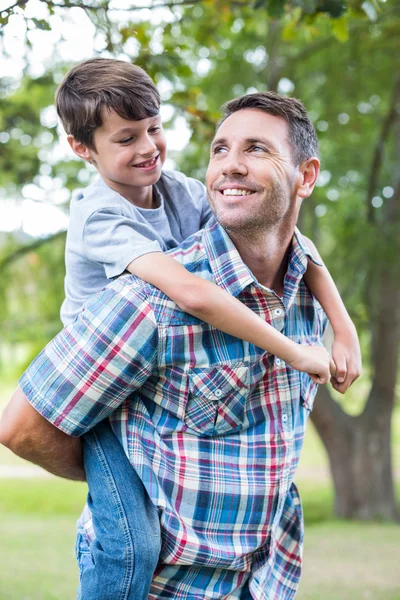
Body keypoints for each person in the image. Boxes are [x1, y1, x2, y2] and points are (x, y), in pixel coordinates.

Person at [0, 91, 361, 599]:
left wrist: (344, 329)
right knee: (130, 543)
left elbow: (302, 249)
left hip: (264, 583)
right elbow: (20, 427)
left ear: (305, 176)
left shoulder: (302, 294)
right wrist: (124, 475)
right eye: (220, 149)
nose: (230, 166)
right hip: (168, 587)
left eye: (255, 149)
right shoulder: (146, 297)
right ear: (84, 148)